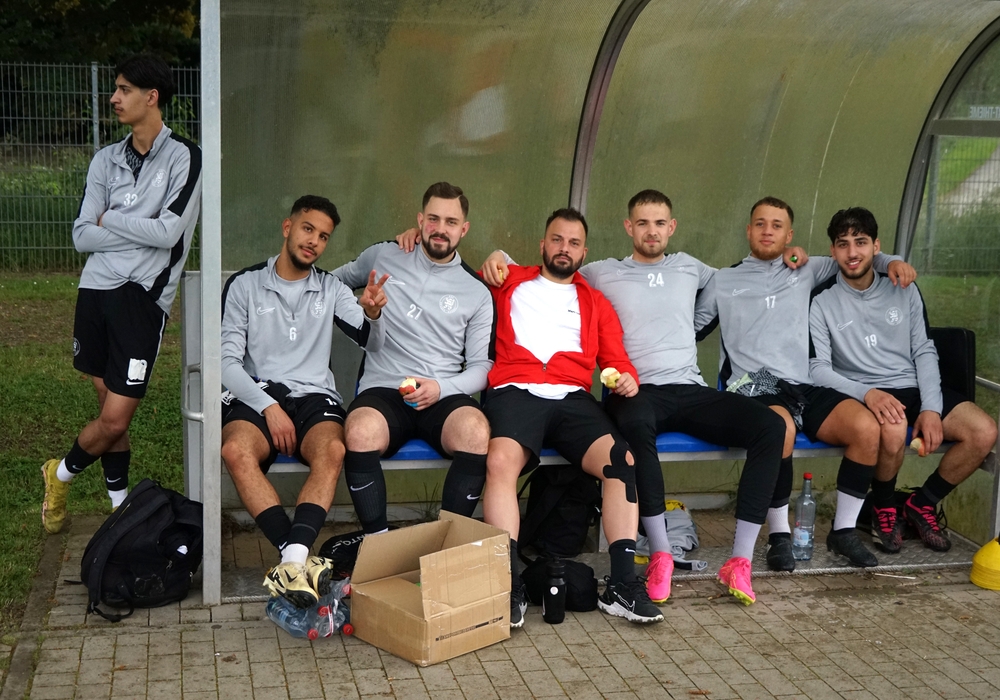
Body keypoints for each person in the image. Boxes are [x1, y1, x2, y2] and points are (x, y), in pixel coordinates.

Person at [478, 190, 791, 606]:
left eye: (660, 223)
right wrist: (495, 254)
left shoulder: (673, 273)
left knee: (769, 426)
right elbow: (491, 271)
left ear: (671, 227)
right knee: (617, 433)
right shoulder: (585, 274)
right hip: (583, 391)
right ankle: (651, 555)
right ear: (629, 227)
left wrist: (794, 258)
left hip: (664, 389)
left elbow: (738, 278)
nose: (651, 231)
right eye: (642, 223)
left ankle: (731, 562)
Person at [696, 197, 917, 568]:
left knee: (866, 428)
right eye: (760, 223)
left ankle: (843, 532)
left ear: (789, 235)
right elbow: (689, 328)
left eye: (777, 225)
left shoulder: (808, 268)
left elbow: (857, 256)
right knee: (778, 428)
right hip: (752, 386)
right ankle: (780, 536)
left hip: (803, 383)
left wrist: (892, 261)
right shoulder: (723, 279)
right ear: (748, 230)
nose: (768, 231)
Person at [479, 207, 662, 628]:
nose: (565, 248)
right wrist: (494, 256)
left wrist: (627, 379)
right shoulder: (509, 281)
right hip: (515, 389)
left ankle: (621, 586)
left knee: (621, 461)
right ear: (543, 244)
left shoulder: (595, 302)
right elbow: (450, 264)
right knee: (500, 461)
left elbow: (616, 360)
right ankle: (509, 585)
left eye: (574, 243)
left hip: (572, 396)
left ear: (584, 252)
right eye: (557, 240)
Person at [42, 54, 202, 534]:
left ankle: (59, 473)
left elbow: (170, 233)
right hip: (95, 290)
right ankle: (120, 508)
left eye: (124, 89)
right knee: (109, 411)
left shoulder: (185, 156)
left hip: (141, 298)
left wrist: (110, 219)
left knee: (114, 419)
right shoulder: (105, 159)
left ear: (151, 97)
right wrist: (137, 230)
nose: (114, 98)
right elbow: (81, 236)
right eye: (115, 88)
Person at [220, 195, 388, 607]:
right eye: (308, 229)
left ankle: (291, 562)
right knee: (235, 451)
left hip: (314, 396)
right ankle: (294, 558)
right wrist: (268, 406)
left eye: (323, 236)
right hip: (259, 393)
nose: (314, 241)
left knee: (333, 449)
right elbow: (225, 363)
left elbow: (372, 342)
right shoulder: (245, 284)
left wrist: (373, 314)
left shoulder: (331, 287)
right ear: (288, 227)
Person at [810, 207, 997, 553]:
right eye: (843, 244)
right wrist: (868, 393)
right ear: (833, 251)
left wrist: (931, 408)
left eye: (861, 242)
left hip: (912, 386)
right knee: (894, 429)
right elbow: (817, 369)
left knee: (983, 431)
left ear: (876, 246)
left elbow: (924, 350)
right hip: (863, 392)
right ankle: (884, 507)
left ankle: (920, 504)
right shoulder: (821, 299)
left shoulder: (904, 288)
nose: (852, 252)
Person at [330, 182, 495, 536]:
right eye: (433, 219)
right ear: (420, 220)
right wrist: (364, 317)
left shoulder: (477, 290)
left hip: (442, 392)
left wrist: (441, 387)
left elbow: (483, 367)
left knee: (476, 431)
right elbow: (332, 283)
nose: (440, 229)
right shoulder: (385, 255)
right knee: (358, 430)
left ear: (464, 229)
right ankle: (379, 544)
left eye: (451, 222)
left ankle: (447, 546)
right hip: (384, 388)